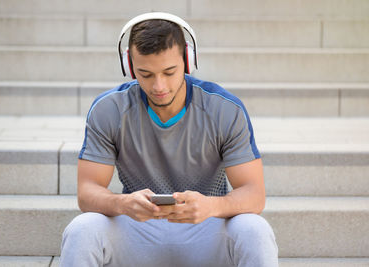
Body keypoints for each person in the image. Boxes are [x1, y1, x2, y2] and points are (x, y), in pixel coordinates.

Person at [59, 12, 278, 267]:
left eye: (169, 71)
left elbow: (254, 195)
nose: (159, 86)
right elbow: (87, 193)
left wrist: (210, 206)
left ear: (188, 60)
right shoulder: (109, 110)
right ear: (129, 66)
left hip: (206, 227)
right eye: (146, 74)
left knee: (255, 229)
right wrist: (123, 203)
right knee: (82, 228)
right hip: (139, 229)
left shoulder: (224, 109)